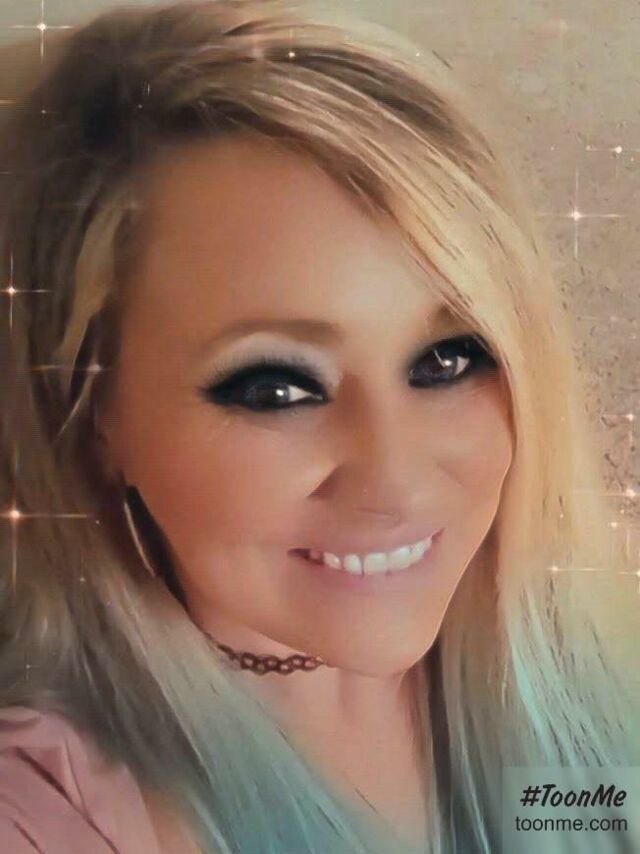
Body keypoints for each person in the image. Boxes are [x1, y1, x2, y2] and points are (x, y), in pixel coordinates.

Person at [0, 1, 638, 852]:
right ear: (91, 418)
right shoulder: (46, 808)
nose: (397, 481)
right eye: (276, 388)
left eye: (448, 359)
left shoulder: (574, 663)